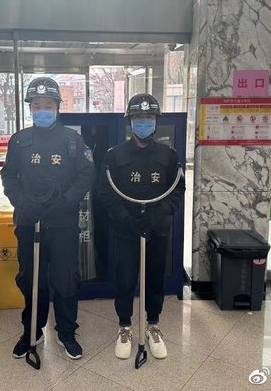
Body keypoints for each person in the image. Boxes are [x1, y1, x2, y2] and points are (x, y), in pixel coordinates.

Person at [1, 77, 94, 360]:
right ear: (30, 108)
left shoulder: (72, 140)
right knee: (32, 279)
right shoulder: (19, 141)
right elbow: (8, 176)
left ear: (57, 108)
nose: (43, 110)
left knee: (65, 279)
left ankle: (66, 332)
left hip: (63, 223)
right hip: (29, 221)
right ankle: (32, 331)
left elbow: (86, 174)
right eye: (37, 105)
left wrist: (66, 202)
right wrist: (22, 203)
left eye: (48, 105)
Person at [98, 93, 184, 360]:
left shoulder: (169, 155)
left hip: (157, 229)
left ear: (156, 121)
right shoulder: (115, 155)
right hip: (126, 230)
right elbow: (105, 192)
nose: (144, 122)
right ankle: (125, 327)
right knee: (125, 279)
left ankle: (152, 325)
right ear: (130, 121)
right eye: (138, 117)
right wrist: (126, 218)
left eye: (149, 117)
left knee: (155, 280)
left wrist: (157, 215)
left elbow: (177, 191)